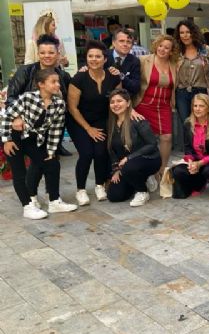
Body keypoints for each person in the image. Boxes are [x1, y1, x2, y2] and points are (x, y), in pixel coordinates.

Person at [0, 68, 77, 219]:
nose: (58, 85)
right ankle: (27, 206)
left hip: (32, 139)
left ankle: (54, 201)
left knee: (52, 164)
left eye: (58, 82)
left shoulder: (59, 104)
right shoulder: (27, 98)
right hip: (14, 137)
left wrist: (51, 151)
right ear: (41, 84)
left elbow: (55, 129)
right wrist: (7, 141)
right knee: (19, 173)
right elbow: (7, 118)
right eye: (53, 82)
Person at [67, 40, 122, 205]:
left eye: (98, 56)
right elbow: (72, 108)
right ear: (86, 58)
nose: (94, 59)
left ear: (105, 59)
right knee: (86, 154)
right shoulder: (79, 78)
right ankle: (81, 190)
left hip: (101, 120)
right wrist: (88, 128)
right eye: (90, 56)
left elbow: (120, 99)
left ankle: (99, 185)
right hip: (79, 121)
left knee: (100, 152)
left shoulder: (113, 77)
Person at [8, 35, 73, 157]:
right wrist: (17, 117)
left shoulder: (64, 76)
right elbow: (11, 97)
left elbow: (71, 101)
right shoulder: (25, 71)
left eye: (51, 52)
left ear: (58, 54)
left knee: (50, 163)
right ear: (38, 54)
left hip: (51, 128)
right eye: (42, 53)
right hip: (25, 126)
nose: (46, 56)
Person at [106, 89, 161, 206]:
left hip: (149, 158)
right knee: (114, 195)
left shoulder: (138, 120)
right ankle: (139, 180)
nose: (115, 104)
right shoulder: (111, 123)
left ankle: (142, 192)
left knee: (129, 167)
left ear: (128, 103)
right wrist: (116, 170)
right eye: (112, 102)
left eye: (119, 101)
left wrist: (129, 158)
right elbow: (112, 150)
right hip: (127, 165)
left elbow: (152, 144)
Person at [135, 34, 178, 179]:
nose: (162, 49)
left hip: (164, 106)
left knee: (167, 137)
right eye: (160, 46)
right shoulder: (143, 60)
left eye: (167, 48)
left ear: (171, 51)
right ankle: (146, 170)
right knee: (145, 139)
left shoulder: (175, 64)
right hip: (144, 104)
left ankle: (162, 169)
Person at [172, 94, 209, 198]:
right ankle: (198, 184)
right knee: (178, 171)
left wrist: (201, 163)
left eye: (201, 106)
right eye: (195, 105)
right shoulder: (188, 123)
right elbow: (187, 147)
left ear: (208, 108)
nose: (197, 109)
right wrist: (190, 162)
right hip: (195, 159)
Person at [174, 20, 209, 126]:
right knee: (186, 124)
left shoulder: (205, 49)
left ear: (194, 33)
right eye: (182, 33)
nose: (185, 35)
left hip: (201, 91)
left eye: (188, 32)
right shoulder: (176, 51)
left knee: (201, 124)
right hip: (182, 93)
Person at [106, 29, 141, 97]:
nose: (125, 44)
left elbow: (135, 87)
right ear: (113, 43)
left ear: (132, 45)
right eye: (121, 41)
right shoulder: (103, 56)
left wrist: (121, 76)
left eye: (128, 42)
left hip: (124, 99)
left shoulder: (134, 61)